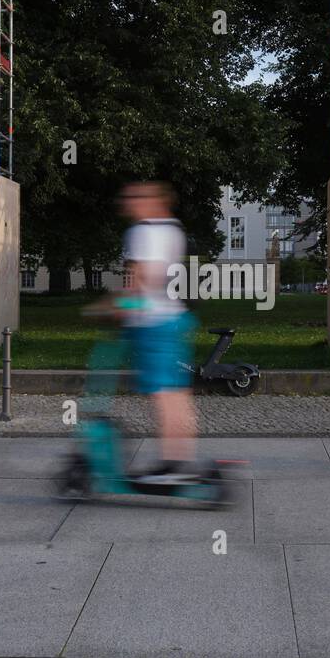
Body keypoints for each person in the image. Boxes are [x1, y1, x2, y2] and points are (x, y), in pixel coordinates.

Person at [116, 181, 199, 481]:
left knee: (164, 393)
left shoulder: (143, 231)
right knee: (177, 392)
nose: (129, 203)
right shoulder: (173, 229)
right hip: (175, 319)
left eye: (135, 198)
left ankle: (171, 466)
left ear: (153, 201)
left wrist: (113, 307)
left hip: (151, 323)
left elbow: (139, 278)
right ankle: (179, 458)